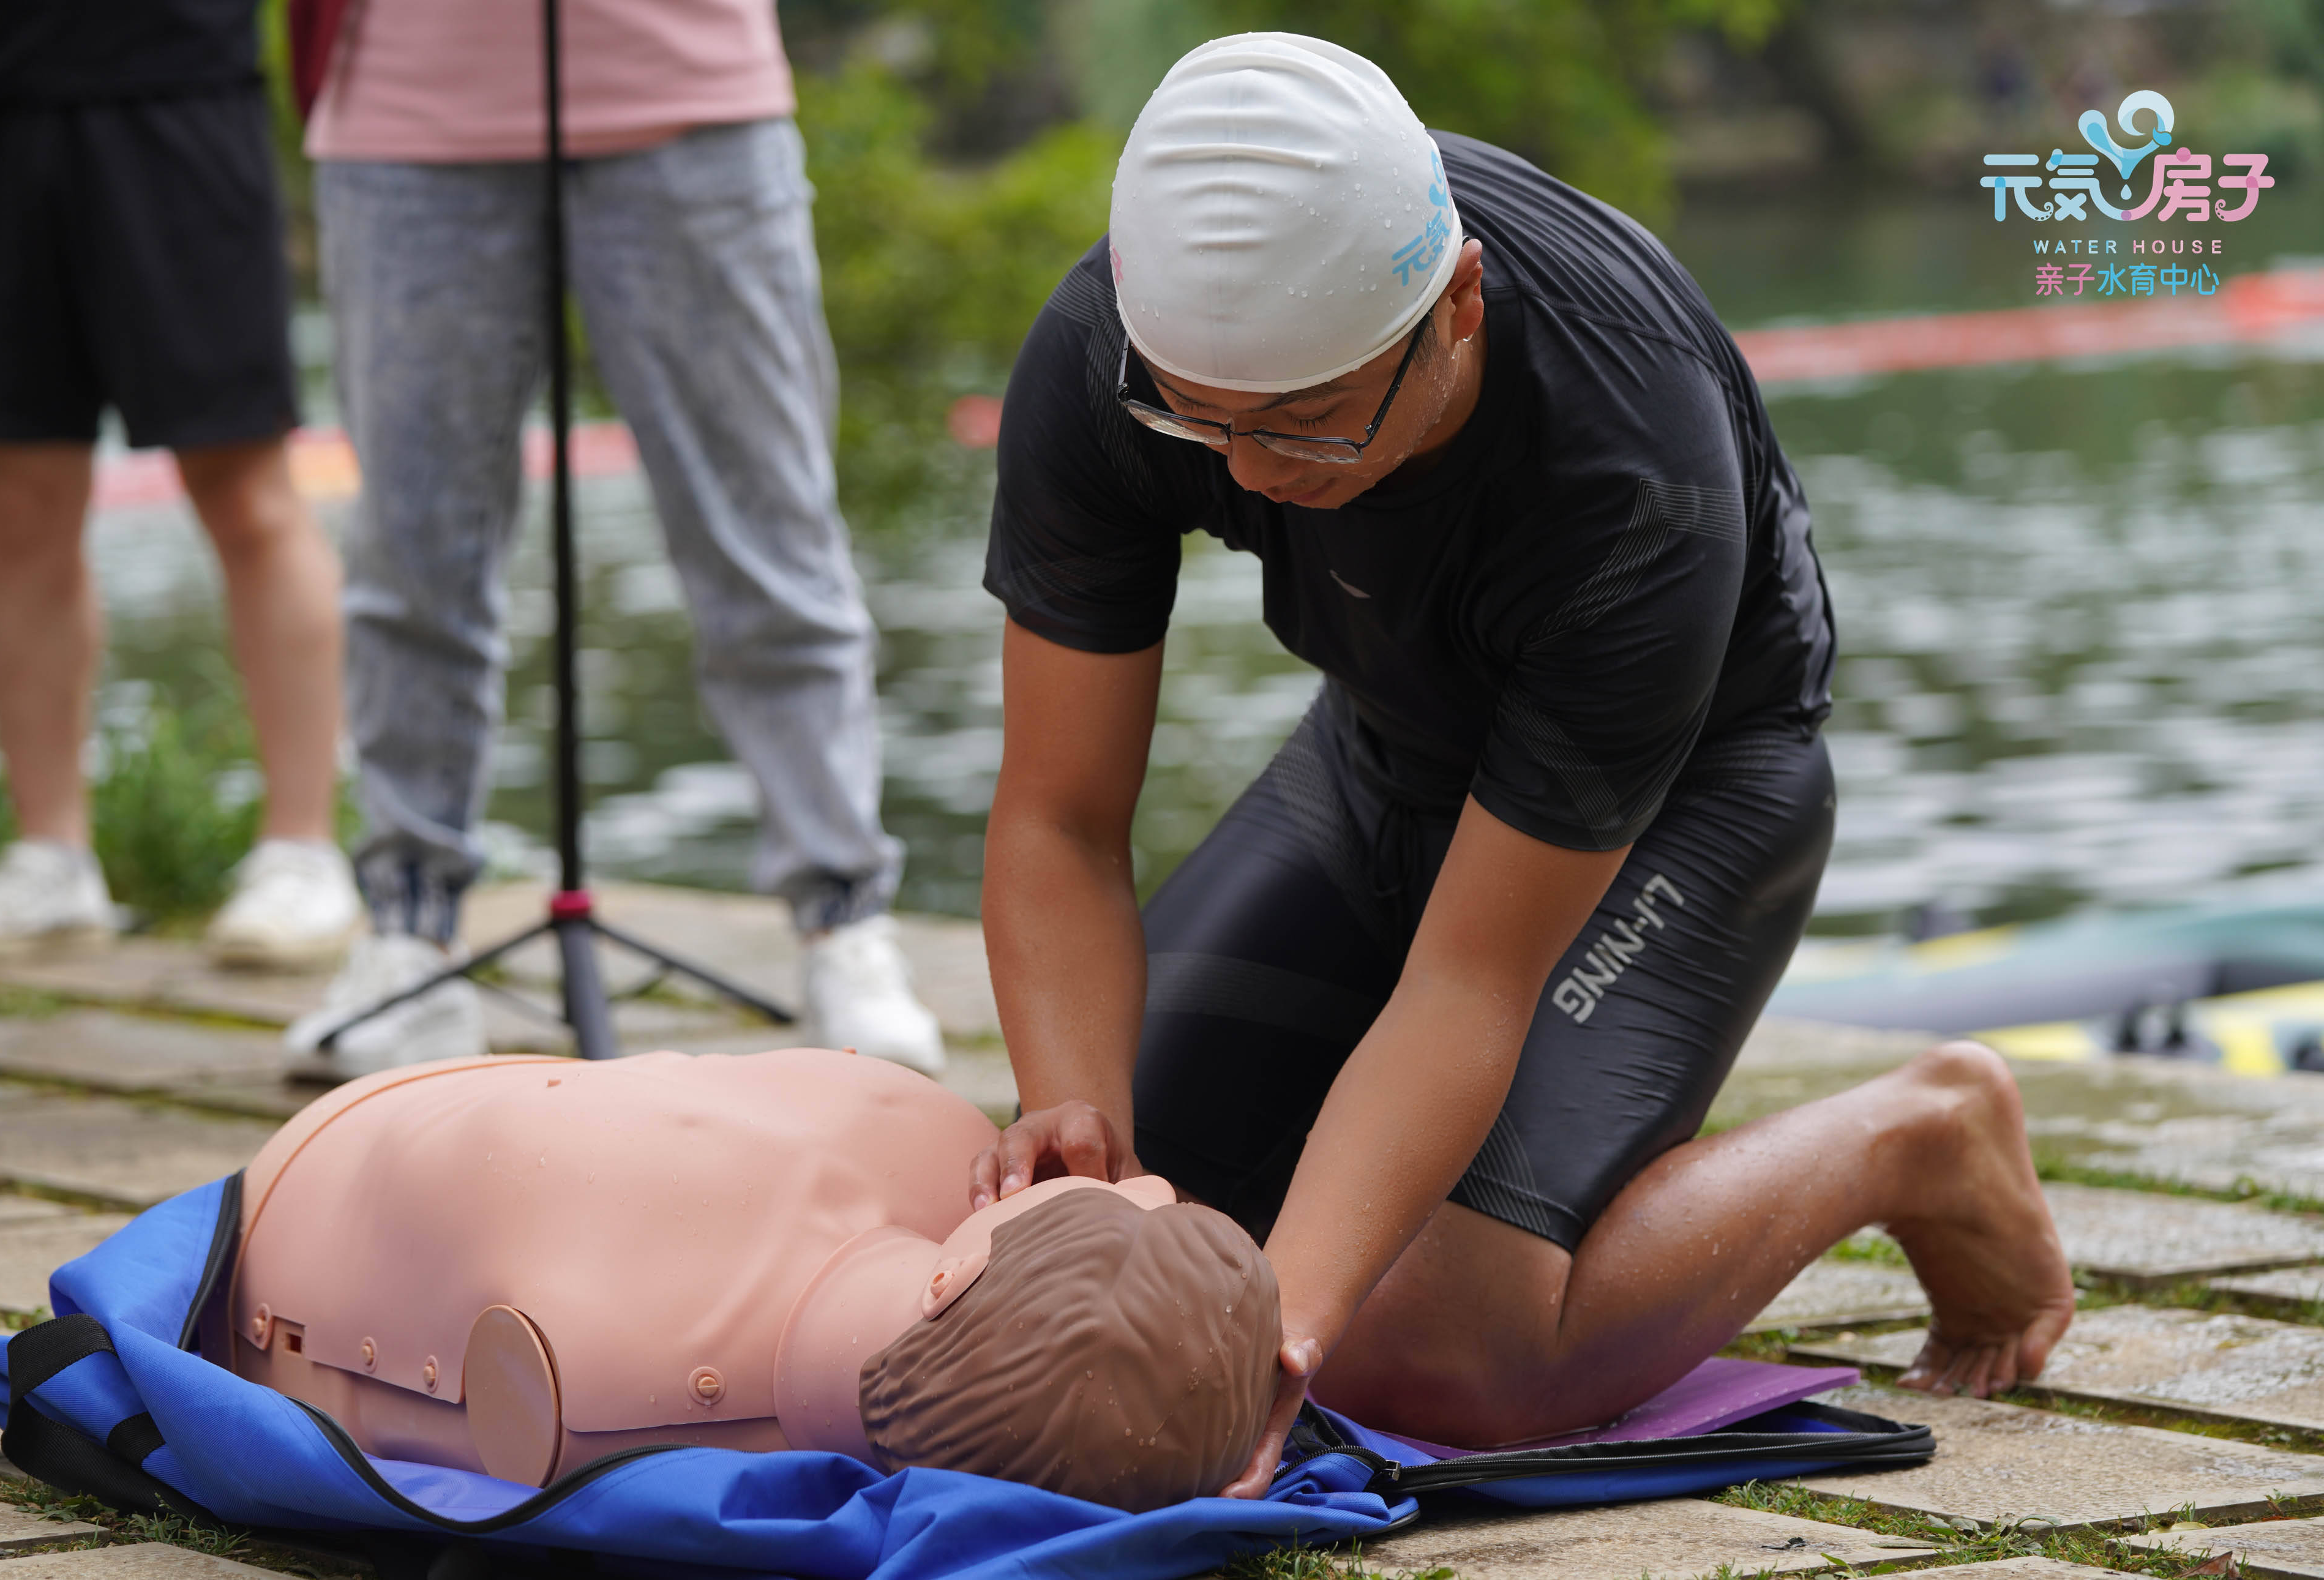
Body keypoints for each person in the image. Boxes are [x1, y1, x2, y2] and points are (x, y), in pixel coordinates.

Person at [972, 32, 2077, 1496]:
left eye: (1304, 425)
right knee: (1142, 1213)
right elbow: (1056, 817)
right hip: (1382, 750)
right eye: (1203, 424)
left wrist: (1284, 1340)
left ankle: (1918, 1130)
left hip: (1687, 804)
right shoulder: (1110, 358)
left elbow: (1467, 981)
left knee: (1434, 1355)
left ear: (1458, 308)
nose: (1244, 474)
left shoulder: (1632, 469)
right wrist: (1074, 1121)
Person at [278, 0, 945, 1080]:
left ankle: (844, 925)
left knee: (767, 537)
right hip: (408, 107)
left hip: (688, 90)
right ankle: (408, 932)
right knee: (412, 557)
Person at [227, 1047, 1278, 1510]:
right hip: (430, 1156)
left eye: (1107, 1205)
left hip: (323, 1166)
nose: (1135, 1183)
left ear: (952, 1277)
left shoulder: (614, 1370)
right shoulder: (934, 1152)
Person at [0, 0, 360, 969]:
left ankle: (303, 849)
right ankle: (51, 859)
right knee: (22, 493)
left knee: (246, 486)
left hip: (178, 86)